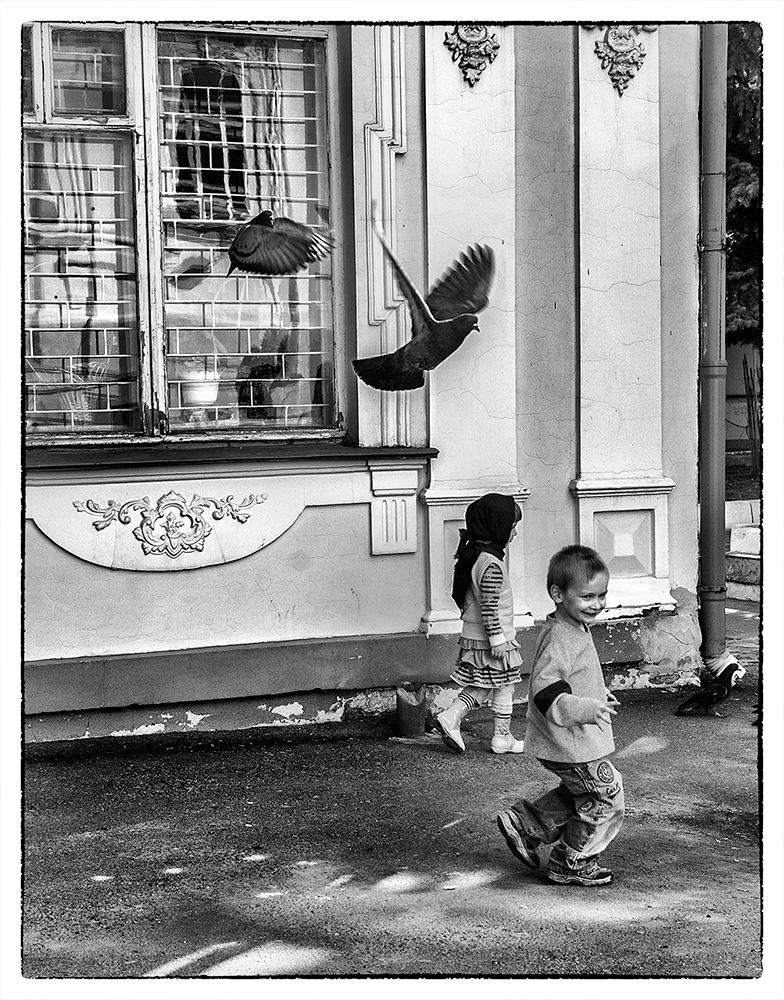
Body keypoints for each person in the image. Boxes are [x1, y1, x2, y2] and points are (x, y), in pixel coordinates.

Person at [496, 544, 624, 886]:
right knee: (605, 795)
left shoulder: (571, 628)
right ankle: (572, 861)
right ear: (557, 594)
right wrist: (587, 707)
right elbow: (546, 690)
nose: (596, 604)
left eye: (602, 595)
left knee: (584, 792)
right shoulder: (562, 638)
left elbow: (574, 678)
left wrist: (597, 694)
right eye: (587, 597)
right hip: (569, 740)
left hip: (574, 740)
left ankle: (526, 824)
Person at [435, 493, 525, 756]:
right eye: (512, 527)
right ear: (496, 527)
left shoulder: (476, 556)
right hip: (492, 637)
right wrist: (497, 639)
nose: (515, 533)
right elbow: (488, 606)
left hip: (478, 634)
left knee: (489, 683)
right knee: (501, 684)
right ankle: (496, 735)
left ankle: (493, 734)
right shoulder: (490, 565)